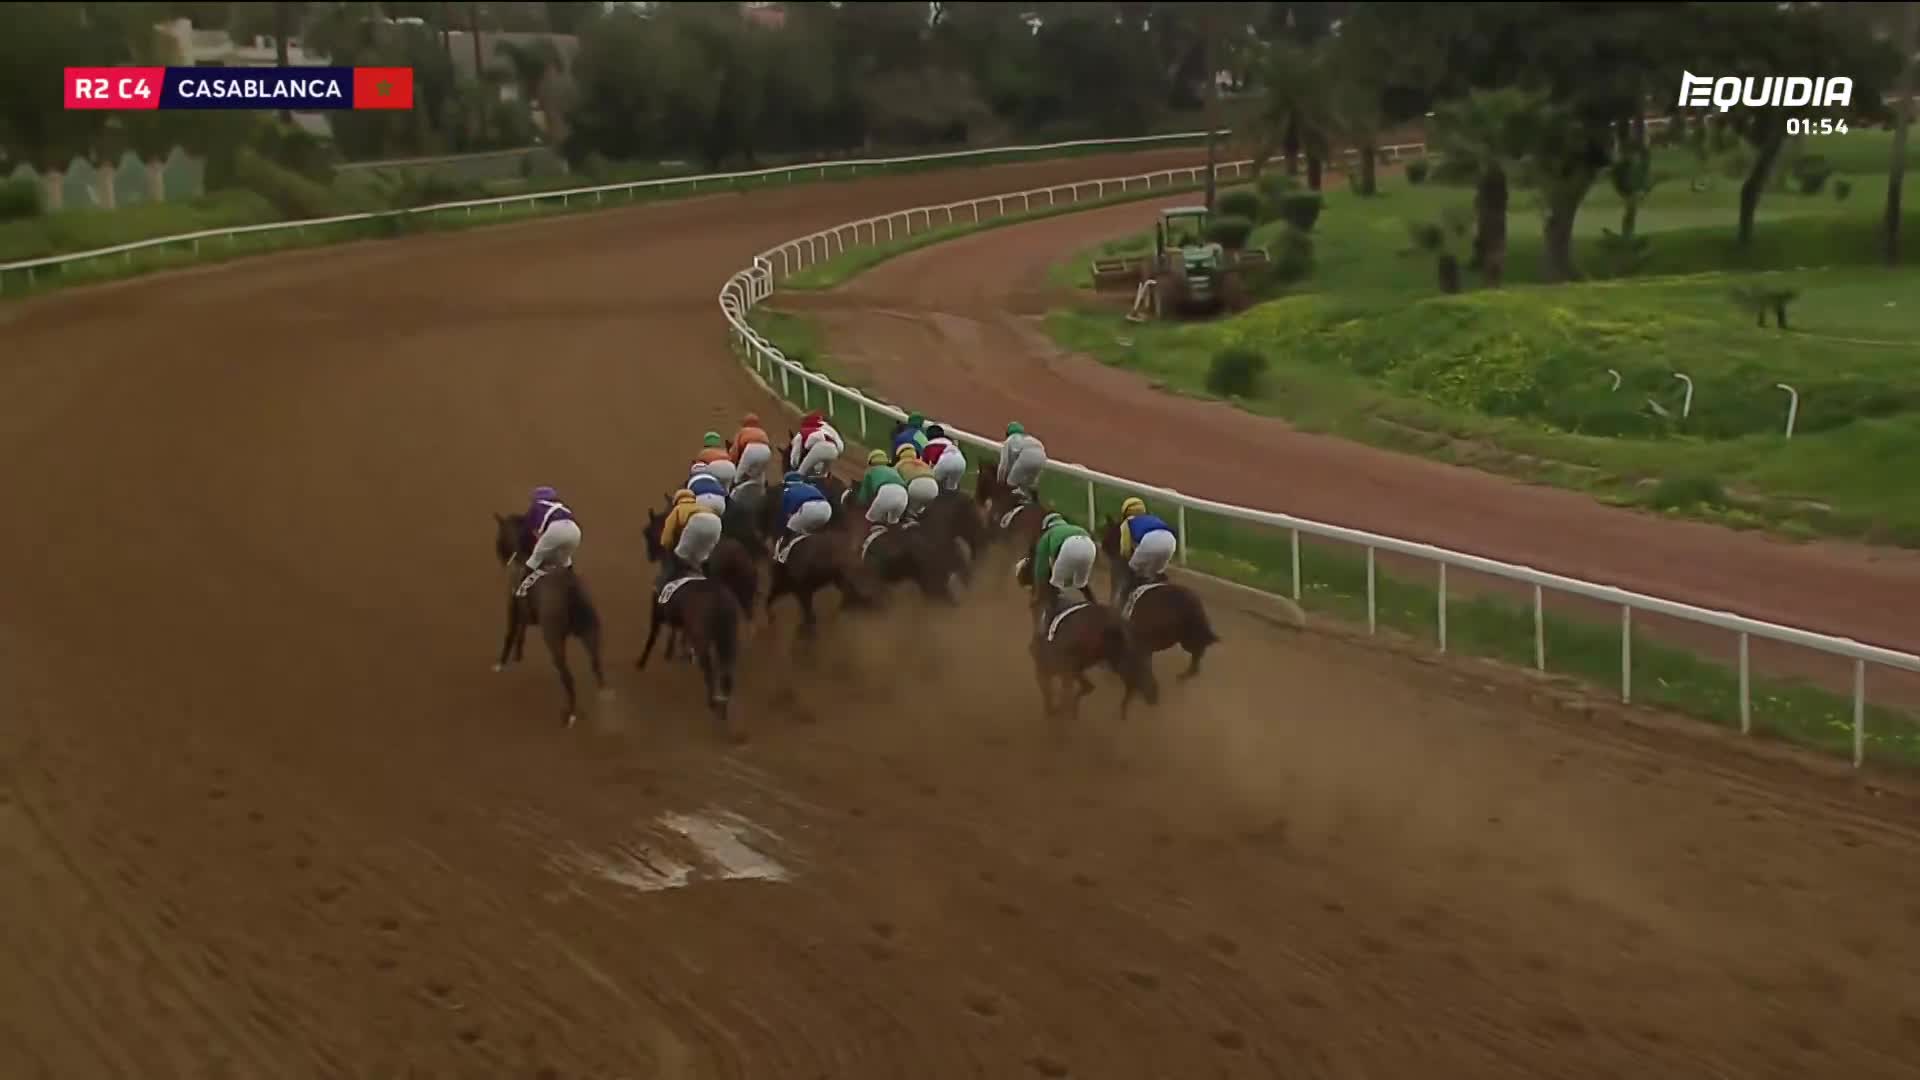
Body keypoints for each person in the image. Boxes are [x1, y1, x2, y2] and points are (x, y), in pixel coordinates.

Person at [1029, 512, 1097, 635]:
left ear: (1046, 527)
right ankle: (1095, 607)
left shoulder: (1047, 535)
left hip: (1069, 546)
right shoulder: (1076, 527)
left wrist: (1037, 595)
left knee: (1054, 586)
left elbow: (1041, 570)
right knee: (1081, 584)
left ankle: (1047, 631)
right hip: (1089, 545)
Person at [517, 485, 581, 598]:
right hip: (575, 531)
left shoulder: (537, 506)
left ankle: (521, 590)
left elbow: (527, 530)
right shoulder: (563, 507)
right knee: (565, 560)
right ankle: (573, 586)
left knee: (536, 557)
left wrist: (522, 545)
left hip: (556, 530)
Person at [1112, 496, 1178, 604]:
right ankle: (1167, 597)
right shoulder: (1151, 518)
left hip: (1150, 541)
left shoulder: (1127, 523)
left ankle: (1124, 603)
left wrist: (1127, 562)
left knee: (1132, 571)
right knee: (1156, 573)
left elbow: (1125, 550)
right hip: (1170, 541)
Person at [655, 488, 722, 593]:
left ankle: (665, 592)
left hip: (696, 523)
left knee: (679, 555)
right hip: (716, 522)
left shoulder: (677, 509)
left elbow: (667, 538)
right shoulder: (701, 506)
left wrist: (666, 546)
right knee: (703, 557)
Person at [850, 448, 908, 527]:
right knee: (893, 523)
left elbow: (864, 496)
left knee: (869, 519)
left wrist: (859, 503)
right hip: (904, 495)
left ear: (870, 462)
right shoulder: (893, 470)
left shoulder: (870, 471)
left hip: (886, 493)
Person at [997, 421, 1048, 504]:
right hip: (1042, 456)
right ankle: (1034, 502)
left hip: (1027, 456)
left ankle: (1010, 504)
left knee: (1011, 482)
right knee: (1029, 484)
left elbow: (1003, 465)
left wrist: (1000, 481)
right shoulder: (1028, 438)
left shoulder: (1009, 440)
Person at [779, 470, 833, 541]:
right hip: (827, 508)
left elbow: (784, 513)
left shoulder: (788, 490)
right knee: (811, 530)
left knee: (790, 527)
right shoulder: (812, 487)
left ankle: (783, 550)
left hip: (809, 508)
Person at [791, 411, 844, 479]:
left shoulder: (800, 434)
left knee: (800, 473)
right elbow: (840, 448)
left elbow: (794, 459)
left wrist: (794, 465)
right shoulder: (826, 428)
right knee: (822, 475)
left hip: (821, 447)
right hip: (835, 451)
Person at [732, 413, 775, 493]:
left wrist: (733, 462)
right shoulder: (762, 432)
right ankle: (762, 494)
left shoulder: (743, 431)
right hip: (766, 451)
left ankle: (733, 494)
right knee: (759, 476)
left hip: (751, 449)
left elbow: (735, 449)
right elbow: (770, 447)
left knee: (738, 476)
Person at [894, 444, 939, 519]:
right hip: (934, 489)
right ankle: (919, 513)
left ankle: (910, 519)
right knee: (919, 505)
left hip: (916, 488)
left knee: (908, 504)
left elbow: (894, 482)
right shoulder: (924, 464)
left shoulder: (899, 464)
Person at [922, 424, 967, 493]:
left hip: (945, 462)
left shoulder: (928, 446)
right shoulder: (950, 442)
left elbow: (925, 465)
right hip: (961, 462)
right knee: (951, 487)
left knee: (932, 481)